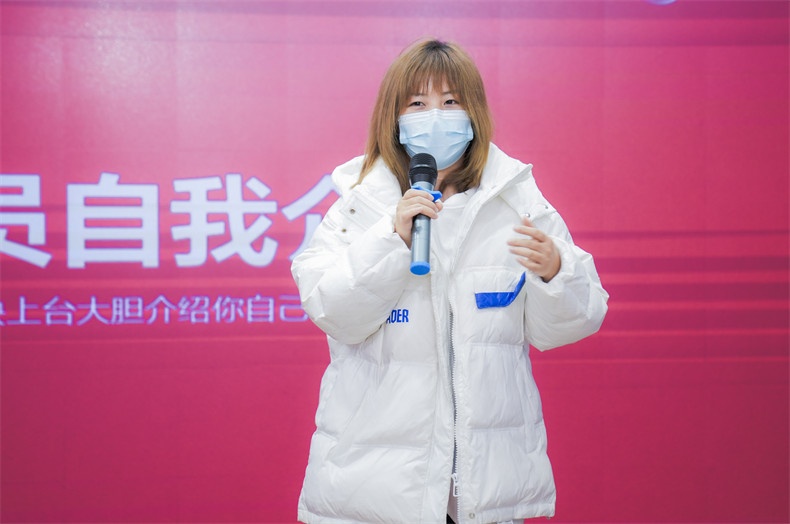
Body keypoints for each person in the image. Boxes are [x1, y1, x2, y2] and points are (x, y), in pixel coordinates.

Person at [292, 39, 608, 524]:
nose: (435, 116)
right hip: (374, 488)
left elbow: (572, 323)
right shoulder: (360, 206)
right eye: (418, 103)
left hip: (482, 490)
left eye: (451, 101)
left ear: (474, 112)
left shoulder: (515, 202)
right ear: (394, 117)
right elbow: (334, 312)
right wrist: (391, 239)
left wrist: (555, 271)